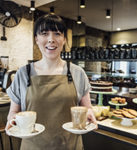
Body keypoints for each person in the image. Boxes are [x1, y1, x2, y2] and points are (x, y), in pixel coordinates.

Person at [5, 14, 97, 150]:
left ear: (64, 39)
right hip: (32, 147)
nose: (51, 40)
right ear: (36, 38)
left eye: (57, 34)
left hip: (70, 146)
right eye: (44, 33)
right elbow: (13, 111)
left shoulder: (77, 73)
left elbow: (87, 108)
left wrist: (89, 113)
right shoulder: (23, 74)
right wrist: (12, 120)